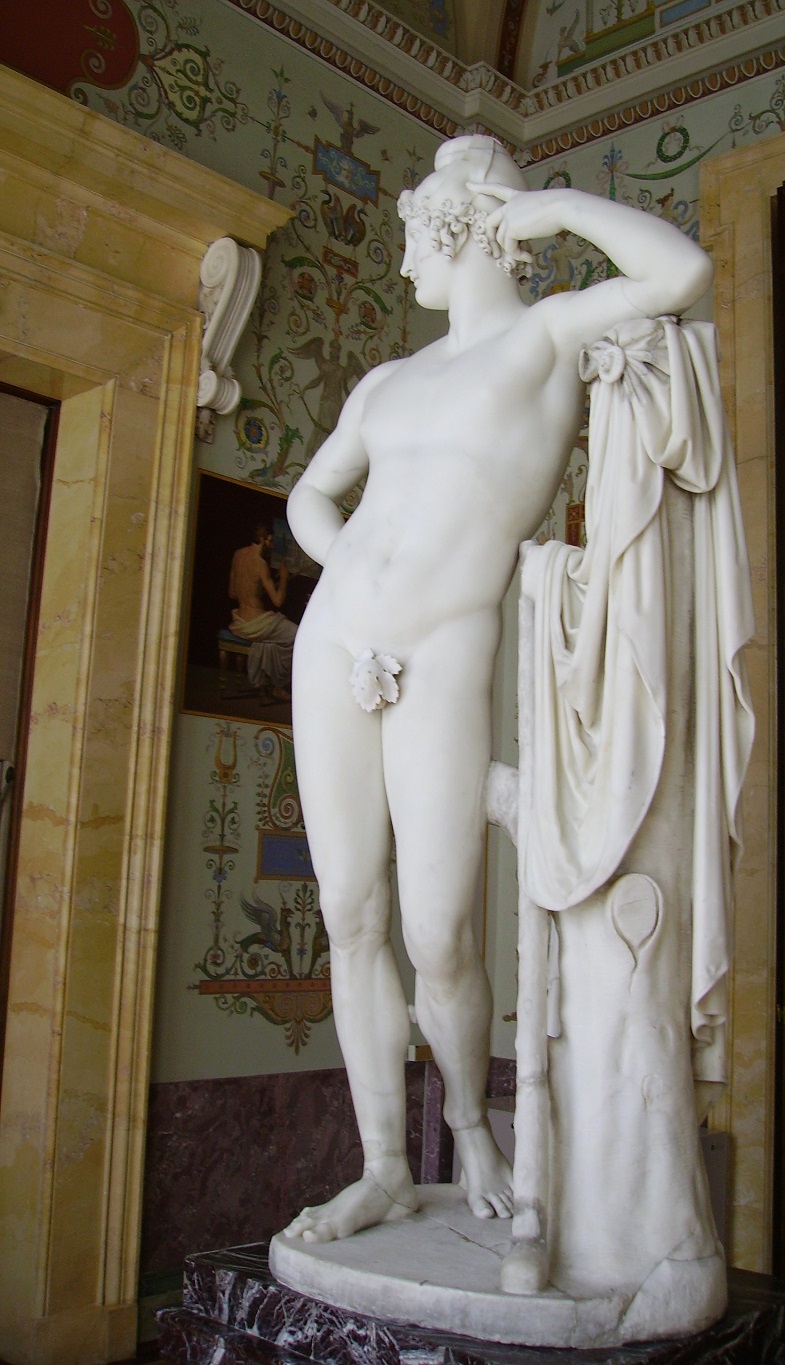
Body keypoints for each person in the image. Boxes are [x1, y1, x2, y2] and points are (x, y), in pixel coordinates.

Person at [282, 134, 714, 1245]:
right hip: (336, 645)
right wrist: (353, 573)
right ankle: (384, 1166)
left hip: (444, 651)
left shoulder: (548, 337)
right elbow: (309, 500)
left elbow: (680, 274)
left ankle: (471, 1128)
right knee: (350, 914)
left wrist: (553, 207)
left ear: (468, 226)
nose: (402, 266)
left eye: (415, 238)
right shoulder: (386, 382)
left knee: (439, 932)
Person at [227, 522, 296, 700]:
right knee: (298, 636)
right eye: (270, 541)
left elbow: (233, 592)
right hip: (257, 624)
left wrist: (258, 589)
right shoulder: (260, 564)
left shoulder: (238, 555)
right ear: (263, 540)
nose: (271, 546)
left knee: (273, 641)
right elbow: (278, 601)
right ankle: (278, 683)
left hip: (239, 621)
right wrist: (284, 579)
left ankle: (267, 683)